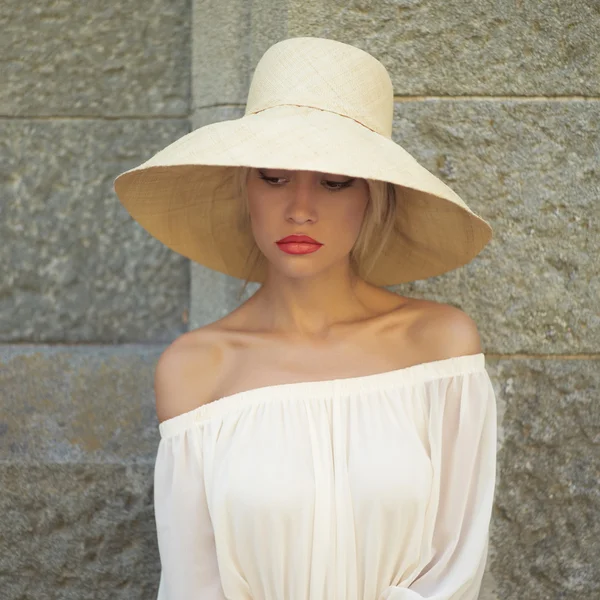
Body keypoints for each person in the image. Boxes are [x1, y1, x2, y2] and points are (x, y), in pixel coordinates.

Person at [114, 37, 497, 600]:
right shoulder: (195, 369)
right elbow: (193, 584)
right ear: (245, 189)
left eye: (334, 181)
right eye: (273, 176)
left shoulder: (438, 347)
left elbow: (456, 569)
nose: (299, 207)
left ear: (374, 196)